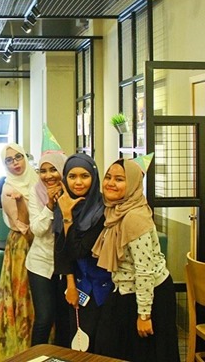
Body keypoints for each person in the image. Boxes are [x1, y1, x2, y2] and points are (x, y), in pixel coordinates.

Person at [92, 158, 179, 362]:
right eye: (108, 177)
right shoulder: (115, 210)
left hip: (149, 295)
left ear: (132, 183)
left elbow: (144, 270)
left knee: (144, 353)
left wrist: (144, 315)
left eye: (119, 179)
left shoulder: (133, 216)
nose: (111, 183)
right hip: (125, 290)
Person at [53, 153, 113, 353]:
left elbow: (79, 250)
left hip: (103, 285)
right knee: (77, 342)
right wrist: (70, 285)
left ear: (94, 178)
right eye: (72, 176)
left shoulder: (103, 209)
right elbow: (61, 250)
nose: (78, 182)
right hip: (76, 284)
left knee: (101, 342)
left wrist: (68, 217)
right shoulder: (62, 204)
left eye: (84, 176)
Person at [0, 143, 38, 362]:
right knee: (23, 296)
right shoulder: (9, 189)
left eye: (18, 157)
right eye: (9, 160)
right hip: (23, 245)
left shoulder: (37, 180)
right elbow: (24, 226)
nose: (15, 163)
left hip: (42, 243)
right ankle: (21, 348)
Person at [26, 151, 70, 347]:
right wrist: (50, 205)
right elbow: (37, 229)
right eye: (43, 171)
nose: (48, 175)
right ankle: (35, 357)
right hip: (40, 263)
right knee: (44, 318)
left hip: (67, 267)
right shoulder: (35, 192)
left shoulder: (74, 192)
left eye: (53, 169)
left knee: (64, 318)